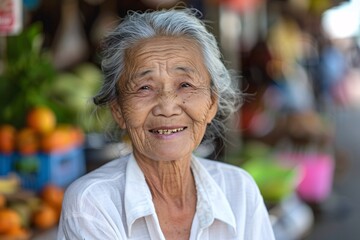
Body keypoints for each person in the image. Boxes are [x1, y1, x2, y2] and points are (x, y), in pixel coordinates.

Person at [57, 8, 275, 240]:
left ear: (212, 103)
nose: (167, 107)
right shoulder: (93, 204)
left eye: (185, 85)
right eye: (144, 88)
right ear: (118, 110)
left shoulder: (239, 191)